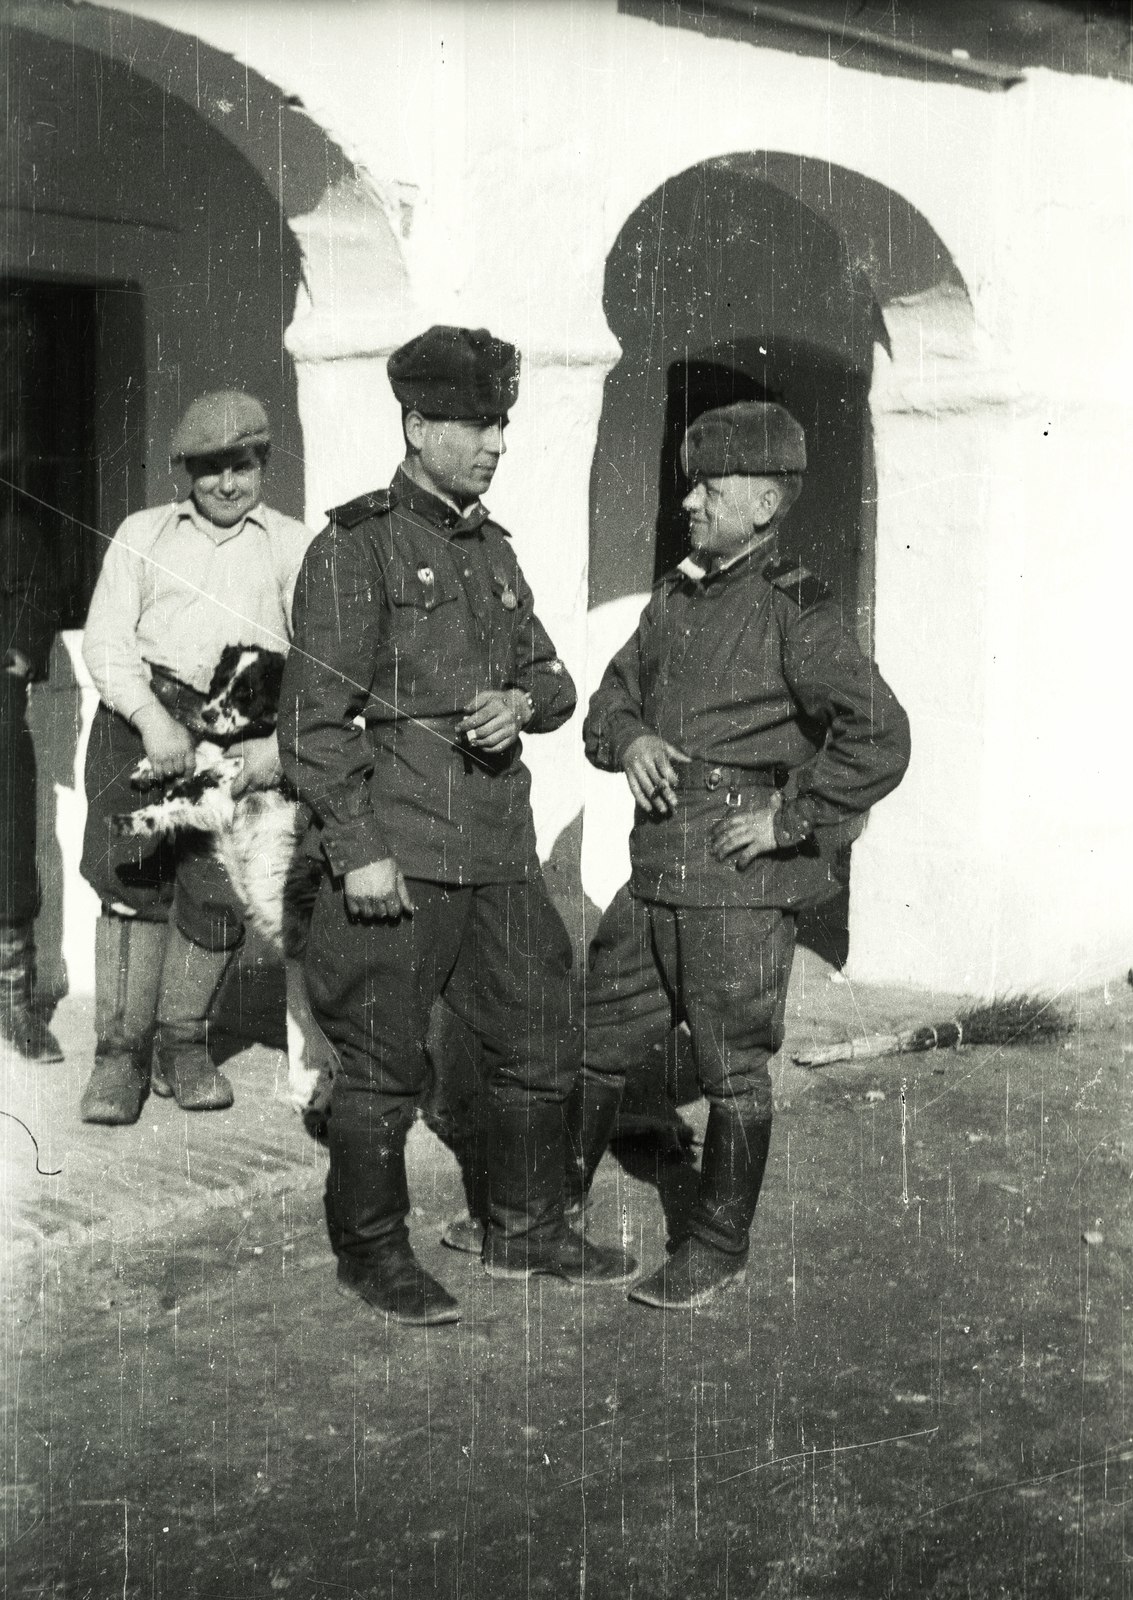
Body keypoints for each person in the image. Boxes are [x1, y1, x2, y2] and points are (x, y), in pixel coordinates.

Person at [278, 324, 635, 1327]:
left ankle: (522, 1227)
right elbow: (312, 722)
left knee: (536, 1041)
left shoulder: (493, 552)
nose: (493, 443)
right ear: (418, 423)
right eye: (475, 423)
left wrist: (518, 705)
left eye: (500, 423)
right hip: (400, 854)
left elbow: (556, 680)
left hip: (495, 854)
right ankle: (372, 1252)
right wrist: (358, 850)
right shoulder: (355, 546)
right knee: (384, 1070)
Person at [580, 400, 911, 1310]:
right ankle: (543, 1208)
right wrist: (632, 738)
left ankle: (717, 1244)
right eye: (692, 483)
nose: (689, 501)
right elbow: (608, 698)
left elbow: (879, 737)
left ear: (763, 505)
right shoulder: (676, 594)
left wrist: (789, 820)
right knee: (600, 1038)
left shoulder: (798, 611)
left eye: (709, 487)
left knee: (731, 1065)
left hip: (736, 874)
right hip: (655, 868)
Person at [78, 392, 314, 1125]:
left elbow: (313, 654)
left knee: (215, 895)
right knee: (132, 884)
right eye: (209, 470)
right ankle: (119, 1057)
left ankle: (183, 1046)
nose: (226, 484)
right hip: (139, 722)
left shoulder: (290, 544)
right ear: (187, 472)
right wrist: (150, 718)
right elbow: (106, 641)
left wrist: (272, 747)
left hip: (239, 724)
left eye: (240, 466)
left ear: (263, 464)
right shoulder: (143, 533)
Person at [1, 486, 62, 1062]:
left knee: (6, 854)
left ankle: (14, 1007)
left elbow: (38, 590)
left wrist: (17, 656)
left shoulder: (8, 523)